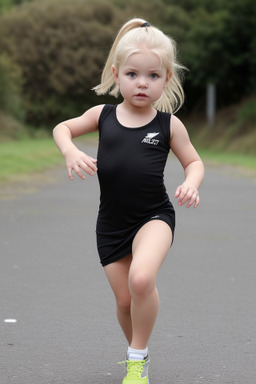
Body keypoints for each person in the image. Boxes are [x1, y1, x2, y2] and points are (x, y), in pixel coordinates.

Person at [53, 18, 204, 384]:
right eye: (133, 74)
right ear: (117, 75)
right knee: (125, 302)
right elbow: (62, 129)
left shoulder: (169, 125)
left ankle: (135, 361)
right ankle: (142, 352)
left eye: (153, 76)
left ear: (166, 80)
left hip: (154, 217)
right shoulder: (103, 116)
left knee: (141, 279)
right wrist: (70, 151)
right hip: (110, 225)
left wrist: (192, 183)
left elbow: (194, 162)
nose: (142, 82)